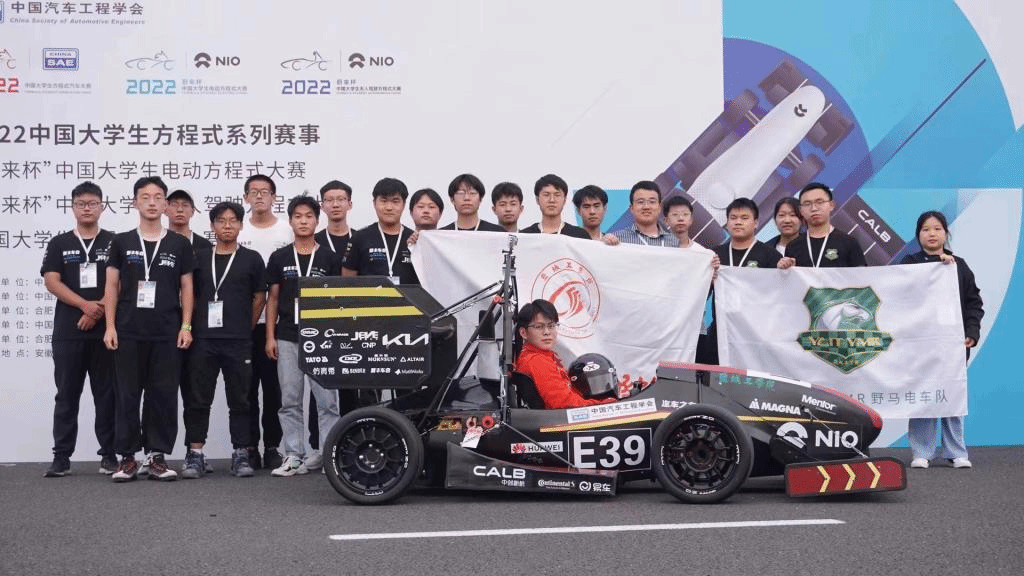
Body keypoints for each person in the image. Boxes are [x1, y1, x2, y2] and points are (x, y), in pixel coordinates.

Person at [103, 176, 194, 482]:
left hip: (167, 331)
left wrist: (186, 326)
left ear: (165, 204)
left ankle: (156, 456)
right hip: (128, 330)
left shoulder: (179, 244)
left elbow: (187, 287)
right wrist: (110, 326)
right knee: (127, 394)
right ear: (134, 202)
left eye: (158, 197)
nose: (152, 203)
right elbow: (111, 286)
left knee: (163, 395)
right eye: (145, 197)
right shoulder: (121, 242)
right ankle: (127, 458)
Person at [182, 202, 266, 479]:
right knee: (198, 398)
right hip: (203, 339)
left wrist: (245, 327)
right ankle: (195, 453)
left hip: (238, 341)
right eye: (221, 221)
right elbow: (190, 294)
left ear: (241, 225)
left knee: (240, 399)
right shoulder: (199, 257)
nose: (227, 226)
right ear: (212, 226)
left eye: (233, 221)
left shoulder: (252, 259)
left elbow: (260, 297)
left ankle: (241, 453)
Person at [41, 181, 117, 477]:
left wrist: (97, 312)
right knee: (66, 395)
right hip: (68, 331)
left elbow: (120, 283)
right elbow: (52, 281)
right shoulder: (59, 243)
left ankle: (109, 455)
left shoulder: (114, 242)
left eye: (92, 203)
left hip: (105, 331)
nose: (87, 208)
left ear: (102, 207)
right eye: (81, 204)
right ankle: (61, 457)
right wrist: (86, 306)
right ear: (72, 207)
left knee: (107, 395)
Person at [265, 196, 344, 476]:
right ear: (290, 221)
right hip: (287, 336)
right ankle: (294, 455)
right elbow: (273, 299)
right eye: (297, 216)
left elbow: (337, 300)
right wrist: (270, 336)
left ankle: (328, 454)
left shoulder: (329, 258)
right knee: (290, 400)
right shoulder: (279, 257)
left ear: (317, 220)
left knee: (327, 402)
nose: (303, 221)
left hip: (323, 338)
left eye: (308, 216)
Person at [901, 210, 983, 470]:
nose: (932, 234)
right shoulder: (909, 263)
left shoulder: (959, 265)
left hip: (952, 343)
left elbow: (973, 303)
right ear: (918, 235)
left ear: (946, 233)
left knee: (952, 393)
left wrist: (972, 332)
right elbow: (897, 295)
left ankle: (956, 451)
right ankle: (922, 451)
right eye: (926, 229)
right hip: (920, 343)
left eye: (937, 229)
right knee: (923, 394)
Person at [237, 174, 292, 470]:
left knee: (274, 390)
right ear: (246, 197)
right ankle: (248, 446)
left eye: (265, 191)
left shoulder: (287, 230)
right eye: (253, 192)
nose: (259, 196)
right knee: (245, 390)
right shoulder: (237, 228)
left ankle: (272, 446)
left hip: (276, 323)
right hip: (242, 323)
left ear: (274, 197)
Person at [165, 189, 213, 465]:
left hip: (198, 329)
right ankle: (156, 453)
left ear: (194, 211)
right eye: (174, 204)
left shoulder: (206, 247)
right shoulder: (157, 243)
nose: (180, 210)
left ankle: (194, 451)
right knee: (161, 390)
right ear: (165, 209)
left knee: (195, 392)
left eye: (186, 205)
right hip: (163, 326)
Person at [514, 299, 616, 409]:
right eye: (539, 327)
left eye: (551, 326)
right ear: (523, 333)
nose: (547, 332)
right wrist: (606, 404)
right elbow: (563, 403)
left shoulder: (543, 356)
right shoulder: (537, 360)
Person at [343, 178, 419, 285]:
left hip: (408, 297)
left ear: (404, 204)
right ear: (374, 203)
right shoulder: (360, 238)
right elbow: (347, 281)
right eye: (383, 201)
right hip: (370, 297)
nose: (389, 207)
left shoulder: (415, 240)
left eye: (395, 201)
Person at [779, 183, 866, 268]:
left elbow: (862, 275)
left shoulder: (849, 243)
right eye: (807, 204)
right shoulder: (793, 246)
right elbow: (789, 277)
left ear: (831, 205)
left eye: (819, 202)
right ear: (801, 210)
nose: (814, 208)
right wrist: (786, 270)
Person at [712, 198, 781, 269]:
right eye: (733, 218)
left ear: (756, 223)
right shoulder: (713, 255)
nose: (738, 222)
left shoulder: (771, 256)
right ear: (727, 223)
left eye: (744, 218)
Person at [609, 181, 679, 247]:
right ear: (631, 208)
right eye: (640, 202)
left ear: (660, 207)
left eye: (652, 202)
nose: (646, 207)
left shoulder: (675, 243)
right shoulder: (617, 239)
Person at [520, 174, 591, 239]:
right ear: (537, 200)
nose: (552, 200)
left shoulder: (580, 235)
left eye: (557, 195)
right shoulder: (524, 236)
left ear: (564, 200)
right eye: (546, 195)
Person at [315, 180, 354, 257]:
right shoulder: (314, 241)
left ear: (350, 204)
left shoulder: (360, 239)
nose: (335, 205)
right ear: (322, 206)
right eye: (329, 200)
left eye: (341, 199)